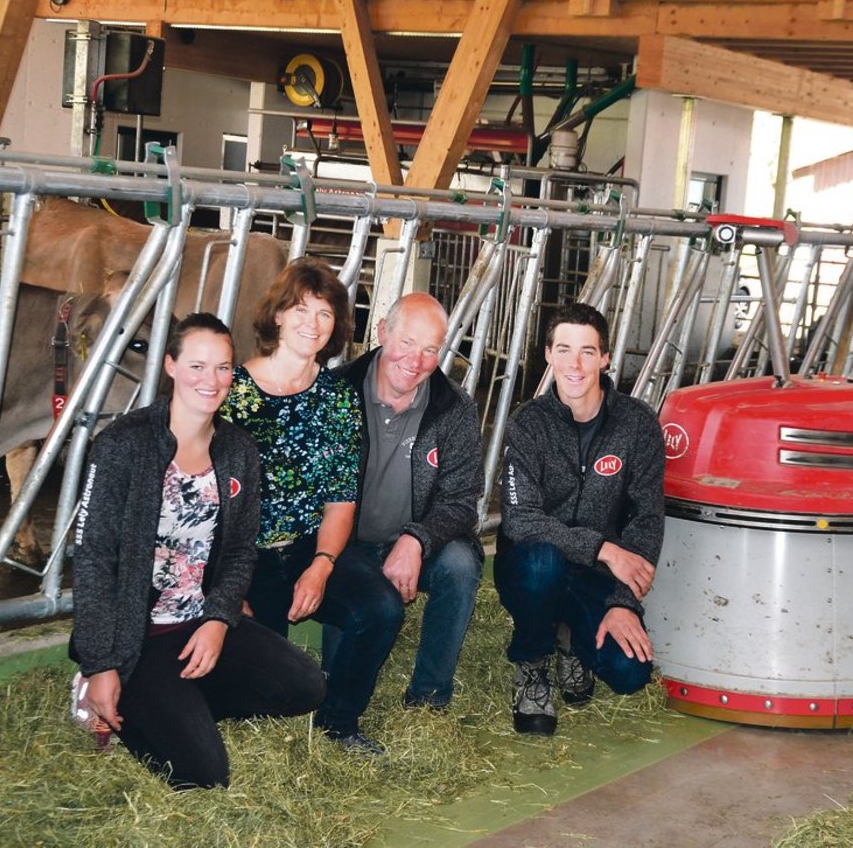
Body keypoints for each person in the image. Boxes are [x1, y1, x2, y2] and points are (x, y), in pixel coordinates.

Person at [69, 313, 325, 789]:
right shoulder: (122, 445)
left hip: (197, 622)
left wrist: (217, 620)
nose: (212, 381)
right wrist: (100, 663)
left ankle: (181, 705)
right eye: (198, 366)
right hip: (138, 636)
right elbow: (93, 560)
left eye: (224, 368)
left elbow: (238, 555)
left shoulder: (238, 451)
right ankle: (106, 693)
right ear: (170, 366)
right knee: (203, 776)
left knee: (305, 686)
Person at [220, 259, 403, 755]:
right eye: (300, 309)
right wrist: (225, 586)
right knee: (260, 686)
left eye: (325, 314)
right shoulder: (231, 393)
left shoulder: (338, 399)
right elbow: (206, 500)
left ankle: (338, 722)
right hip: (242, 556)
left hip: (306, 547)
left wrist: (322, 567)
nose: (312, 323)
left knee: (381, 607)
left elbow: (342, 498)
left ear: (337, 327)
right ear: (276, 316)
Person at [495, 302, 666, 735]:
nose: (575, 364)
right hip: (532, 567)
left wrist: (624, 602)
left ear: (605, 358)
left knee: (629, 675)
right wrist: (604, 549)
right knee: (543, 562)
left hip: (595, 576)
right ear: (548, 355)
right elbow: (521, 520)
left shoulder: (637, 424)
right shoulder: (528, 423)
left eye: (588, 352)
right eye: (564, 350)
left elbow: (647, 518)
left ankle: (570, 636)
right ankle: (533, 665)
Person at [332, 292, 484, 711]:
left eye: (430, 349)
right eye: (406, 343)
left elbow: (461, 500)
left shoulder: (454, 408)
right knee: (335, 673)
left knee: (460, 563)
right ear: (381, 333)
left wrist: (416, 540)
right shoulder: (337, 392)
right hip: (348, 544)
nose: (415, 361)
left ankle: (430, 696)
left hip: (418, 543)